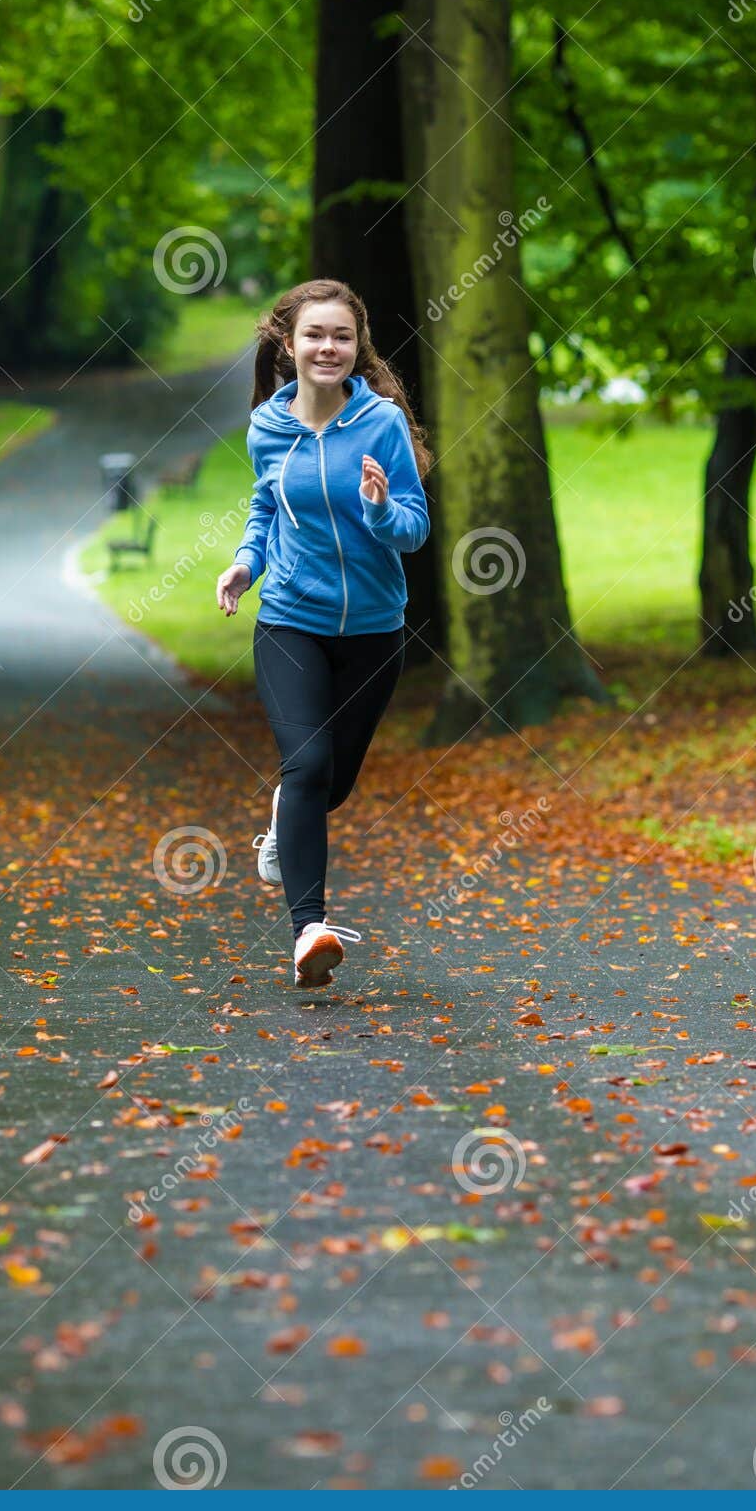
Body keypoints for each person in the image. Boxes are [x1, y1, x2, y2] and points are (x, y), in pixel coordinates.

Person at [215, 279, 431, 990]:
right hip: (289, 620)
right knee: (305, 767)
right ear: (288, 344)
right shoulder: (266, 426)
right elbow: (263, 505)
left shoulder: (381, 424)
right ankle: (308, 929)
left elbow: (414, 526)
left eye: (340, 336)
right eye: (314, 335)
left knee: (329, 785)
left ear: (355, 345)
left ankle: (287, 822)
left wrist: (376, 509)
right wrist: (247, 563)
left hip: (373, 629)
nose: (327, 347)